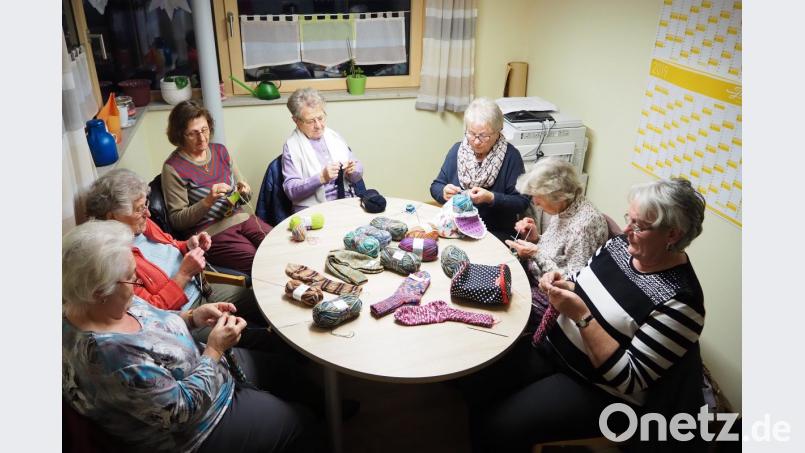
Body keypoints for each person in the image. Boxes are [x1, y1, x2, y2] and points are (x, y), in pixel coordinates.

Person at [469, 178, 707, 451]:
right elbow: (580, 286)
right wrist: (562, 284)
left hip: (599, 391)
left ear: (673, 235)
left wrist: (582, 316)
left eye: (639, 226)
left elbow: (628, 379)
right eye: (629, 218)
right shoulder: (618, 247)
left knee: (499, 427)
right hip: (553, 350)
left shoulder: (681, 301)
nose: (627, 229)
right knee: (478, 382)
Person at [62, 220, 318, 452]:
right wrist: (215, 350)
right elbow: (182, 410)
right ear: (98, 292)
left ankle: (329, 407)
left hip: (208, 366)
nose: (138, 281)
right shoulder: (111, 357)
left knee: (283, 371)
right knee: (299, 424)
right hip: (202, 425)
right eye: (131, 279)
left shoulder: (106, 303)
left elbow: (154, 324)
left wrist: (192, 318)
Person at [85, 168, 266, 330]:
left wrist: (189, 245)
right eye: (139, 209)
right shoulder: (115, 261)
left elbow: (171, 245)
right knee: (258, 337)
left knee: (262, 303)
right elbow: (152, 313)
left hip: (202, 287)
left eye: (146, 205)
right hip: (184, 316)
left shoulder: (142, 225)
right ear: (112, 216)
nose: (148, 214)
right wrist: (184, 274)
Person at [162, 100, 272, 276]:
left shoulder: (220, 151)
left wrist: (244, 191)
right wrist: (207, 201)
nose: (202, 138)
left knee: (277, 246)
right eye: (193, 133)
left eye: (204, 130)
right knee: (258, 262)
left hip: (241, 218)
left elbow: (244, 194)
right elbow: (177, 220)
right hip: (211, 233)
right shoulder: (173, 168)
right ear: (180, 135)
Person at [503, 157, 609, 329]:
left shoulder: (583, 226)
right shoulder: (566, 207)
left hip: (551, 298)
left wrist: (535, 253)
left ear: (558, 195)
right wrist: (535, 238)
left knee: (502, 304)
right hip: (534, 276)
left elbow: (575, 285)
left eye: (538, 197)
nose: (535, 202)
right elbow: (558, 251)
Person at [430, 97, 530, 241]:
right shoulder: (457, 151)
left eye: (484, 136)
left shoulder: (511, 156)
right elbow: (436, 186)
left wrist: (491, 198)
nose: (476, 141)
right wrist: (443, 192)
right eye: (471, 134)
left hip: (495, 234)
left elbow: (522, 202)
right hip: (455, 230)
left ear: (498, 131)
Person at [281, 87, 365, 212]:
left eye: (320, 118)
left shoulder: (334, 136)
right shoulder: (292, 146)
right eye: (310, 121)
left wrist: (354, 170)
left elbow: (357, 171)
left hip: (346, 202)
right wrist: (321, 178)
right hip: (312, 210)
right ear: (296, 121)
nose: (319, 126)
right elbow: (291, 191)